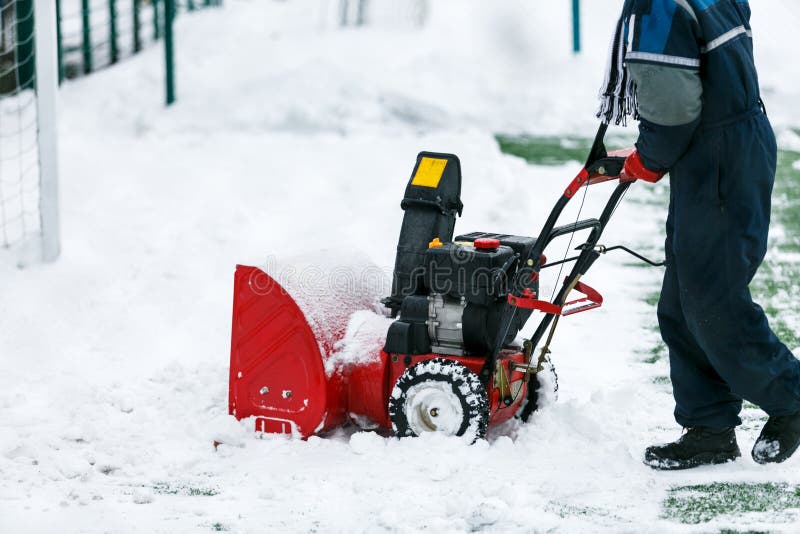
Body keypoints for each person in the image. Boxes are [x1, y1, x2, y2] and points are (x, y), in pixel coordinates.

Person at [598, 0, 800, 469]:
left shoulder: (659, 6)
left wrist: (650, 157)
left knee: (712, 301)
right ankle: (709, 428)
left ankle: (791, 395)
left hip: (719, 160)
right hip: (725, 148)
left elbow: (672, 106)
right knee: (681, 303)